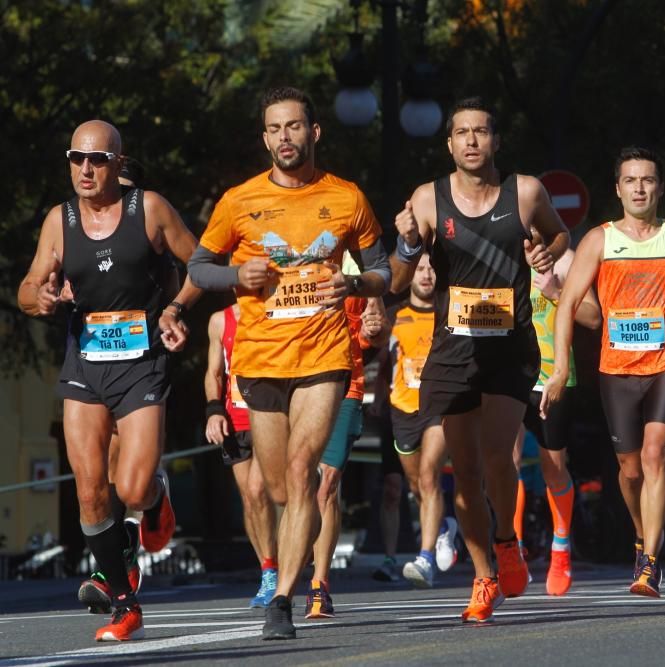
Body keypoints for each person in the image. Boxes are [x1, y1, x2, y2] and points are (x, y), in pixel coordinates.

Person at [187, 87, 390, 639]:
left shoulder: (347, 198)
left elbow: (383, 272)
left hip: (325, 356)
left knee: (303, 475)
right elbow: (199, 265)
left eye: (295, 127)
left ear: (314, 132)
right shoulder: (238, 201)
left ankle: (283, 600)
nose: (285, 137)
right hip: (259, 362)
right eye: (275, 129)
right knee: (279, 489)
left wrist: (354, 282)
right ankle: (297, 551)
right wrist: (236, 277)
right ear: (265, 137)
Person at [18, 120, 201, 641]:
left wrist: (175, 309)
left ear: (118, 165)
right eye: (77, 159)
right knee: (91, 490)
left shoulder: (151, 209)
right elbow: (29, 287)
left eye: (96, 160)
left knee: (134, 487)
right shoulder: (61, 219)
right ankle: (125, 602)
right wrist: (42, 298)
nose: (85, 169)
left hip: (141, 364)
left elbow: (202, 261)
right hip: (85, 366)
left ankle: (156, 495)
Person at [390, 96, 569, 623]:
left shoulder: (526, 191)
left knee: (498, 457)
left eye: (481, 131)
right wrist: (404, 246)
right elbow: (400, 283)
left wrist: (547, 252)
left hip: (510, 347)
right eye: (462, 133)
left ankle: (507, 539)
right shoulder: (427, 199)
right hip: (451, 349)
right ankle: (483, 574)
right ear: (449, 144)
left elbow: (558, 234)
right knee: (463, 471)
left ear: (496, 140)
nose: (471, 141)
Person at [543, 146, 665, 598]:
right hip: (616, 367)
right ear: (617, 189)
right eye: (631, 180)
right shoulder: (599, 241)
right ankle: (642, 535)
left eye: (648, 180)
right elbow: (566, 305)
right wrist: (562, 367)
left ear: (659, 187)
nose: (639, 188)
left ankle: (650, 563)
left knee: (656, 453)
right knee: (630, 469)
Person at [512, 233, 601, 595]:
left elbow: (594, 317)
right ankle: (512, 551)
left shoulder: (566, 261)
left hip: (553, 377)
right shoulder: (501, 258)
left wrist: (555, 292)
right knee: (506, 461)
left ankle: (560, 546)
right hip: (511, 376)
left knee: (553, 467)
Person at [305, 257, 389, 618]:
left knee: (327, 485)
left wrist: (372, 330)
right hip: (295, 384)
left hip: (344, 383)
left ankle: (318, 585)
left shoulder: (359, 260)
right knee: (291, 486)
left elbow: (375, 329)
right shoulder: (286, 255)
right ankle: (279, 569)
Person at [381, 253, 460, 589]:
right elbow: (380, 357)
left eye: (432, 268)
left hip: (438, 407)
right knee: (415, 486)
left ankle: (425, 557)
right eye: (420, 269)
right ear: (410, 274)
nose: (427, 275)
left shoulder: (449, 310)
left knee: (429, 477)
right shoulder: (394, 316)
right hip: (402, 408)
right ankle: (443, 527)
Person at [204, 303, 278, 608]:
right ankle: (268, 569)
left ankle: (274, 568)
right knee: (249, 499)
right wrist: (213, 410)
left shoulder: (275, 310)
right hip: (235, 420)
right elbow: (213, 373)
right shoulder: (219, 320)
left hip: (268, 414)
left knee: (258, 489)